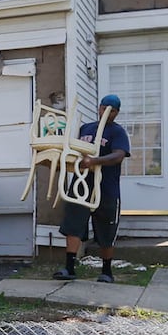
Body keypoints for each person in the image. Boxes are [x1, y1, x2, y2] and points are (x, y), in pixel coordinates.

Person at [53, 93, 130, 283]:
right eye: (104, 108)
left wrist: (95, 161)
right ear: (99, 107)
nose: (107, 112)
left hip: (106, 188)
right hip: (81, 184)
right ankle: (69, 267)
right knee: (73, 224)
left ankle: (106, 271)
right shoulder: (86, 128)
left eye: (112, 110)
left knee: (106, 229)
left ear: (117, 113)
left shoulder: (117, 132)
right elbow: (75, 152)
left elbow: (118, 155)